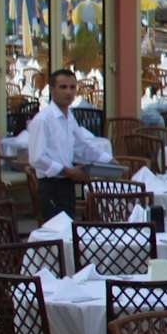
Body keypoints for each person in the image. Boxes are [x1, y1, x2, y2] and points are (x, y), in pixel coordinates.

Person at [23, 67, 113, 221]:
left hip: (67, 184)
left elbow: (81, 146)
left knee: (69, 227)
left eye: (72, 87)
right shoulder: (43, 120)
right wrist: (68, 171)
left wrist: (108, 160)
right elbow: (37, 158)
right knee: (57, 229)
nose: (68, 92)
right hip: (50, 185)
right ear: (52, 90)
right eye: (63, 87)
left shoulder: (69, 117)